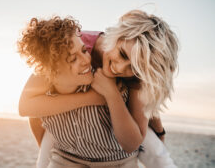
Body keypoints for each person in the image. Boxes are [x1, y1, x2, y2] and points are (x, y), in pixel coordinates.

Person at [18, 10, 178, 168]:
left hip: (123, 121)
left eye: (135, 68)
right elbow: (30, 106)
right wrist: (92, 98)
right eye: (122, 54)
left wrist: (159, 130)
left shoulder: (139, 73)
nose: (120, 68)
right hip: (63, 120)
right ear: (117, 35)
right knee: (45, 160)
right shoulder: (72, 44)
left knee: (158, 154)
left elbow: (144, 114)